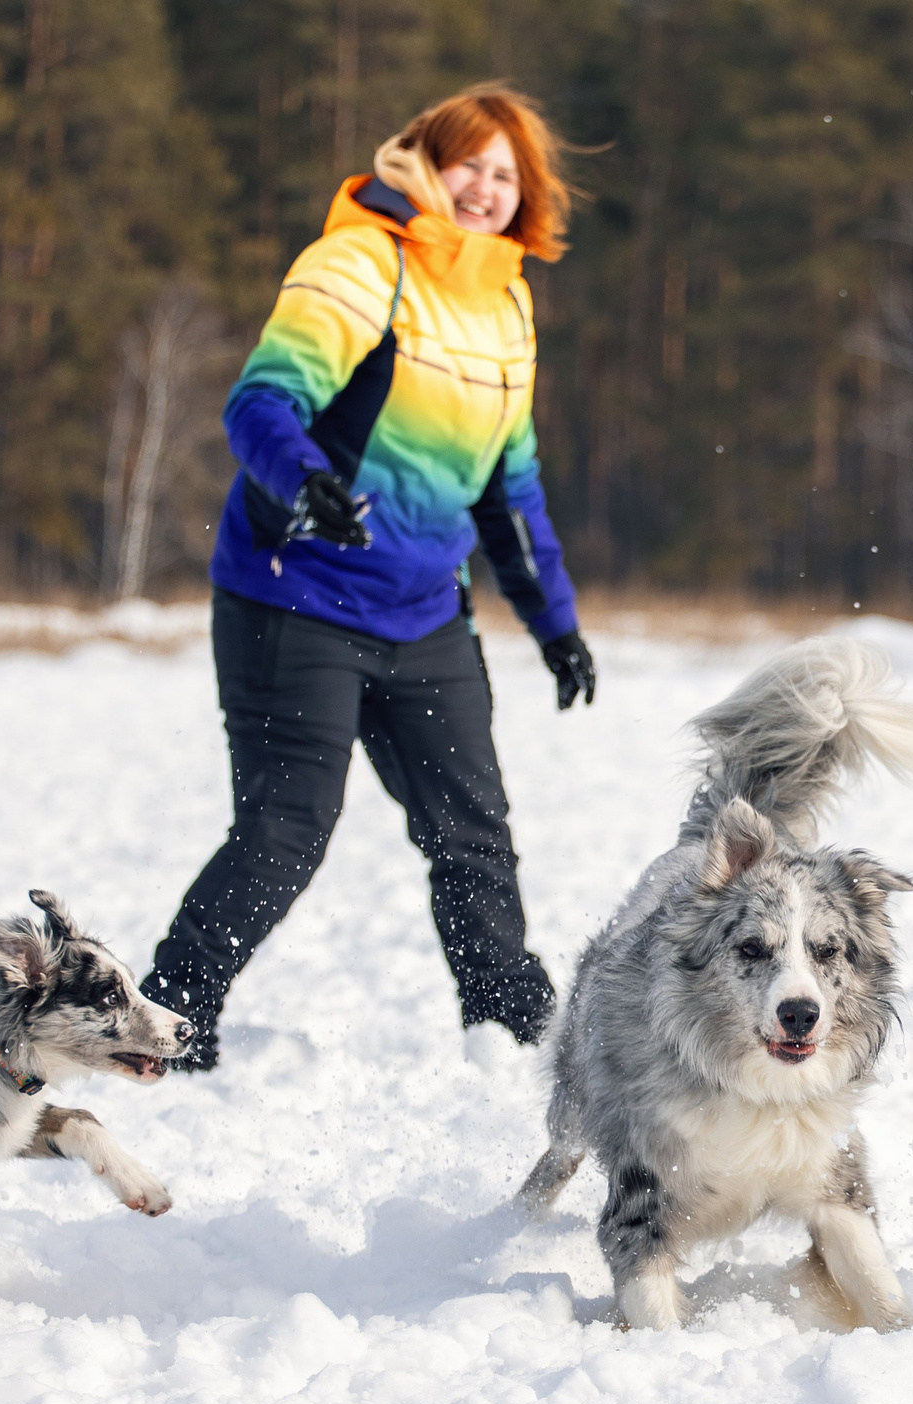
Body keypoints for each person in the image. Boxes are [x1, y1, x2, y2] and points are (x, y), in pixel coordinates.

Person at [142, 82, 594, 1073]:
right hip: (293, 601)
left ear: (527, 195)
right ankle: (163, 1025)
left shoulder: (507, 304)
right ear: (426, 163)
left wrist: (552, 623)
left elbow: (507, 488)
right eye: (467, 163)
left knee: (474, 836)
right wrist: (305, 485)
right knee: (285, 831)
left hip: (427, 617)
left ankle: (521, 1040)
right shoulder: (358, 260)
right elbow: (262, 402)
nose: (483, 188)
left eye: (504, 174)